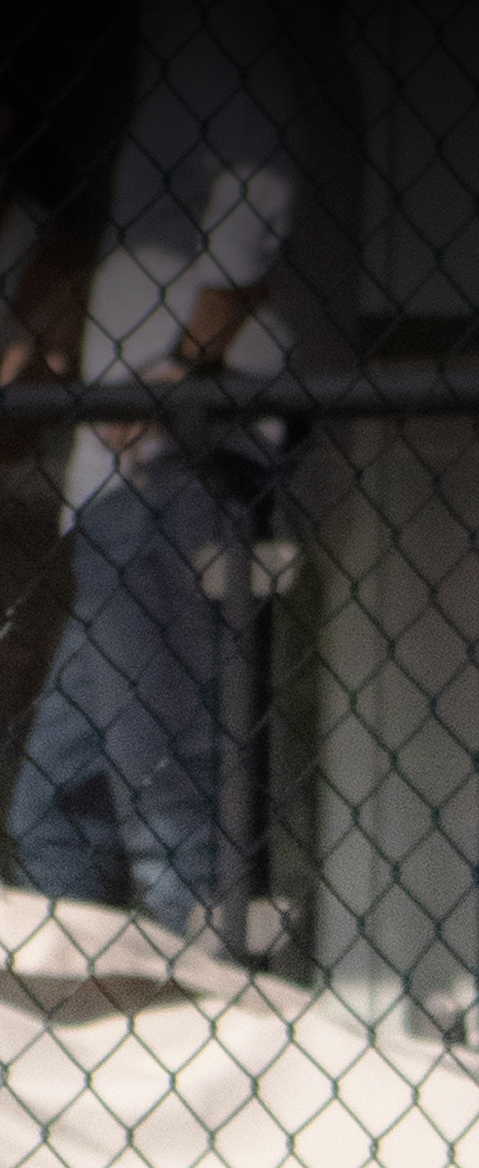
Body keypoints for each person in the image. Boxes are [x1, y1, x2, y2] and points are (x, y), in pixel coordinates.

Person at [4, 4, 348, 954]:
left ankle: (218, 1032)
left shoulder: (208, 27)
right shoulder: (154, 56)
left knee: (171, 807)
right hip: (125, 484)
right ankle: (85, 1031)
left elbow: (259, 178)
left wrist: (185, 366)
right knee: (56, 811)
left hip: (176, 466)